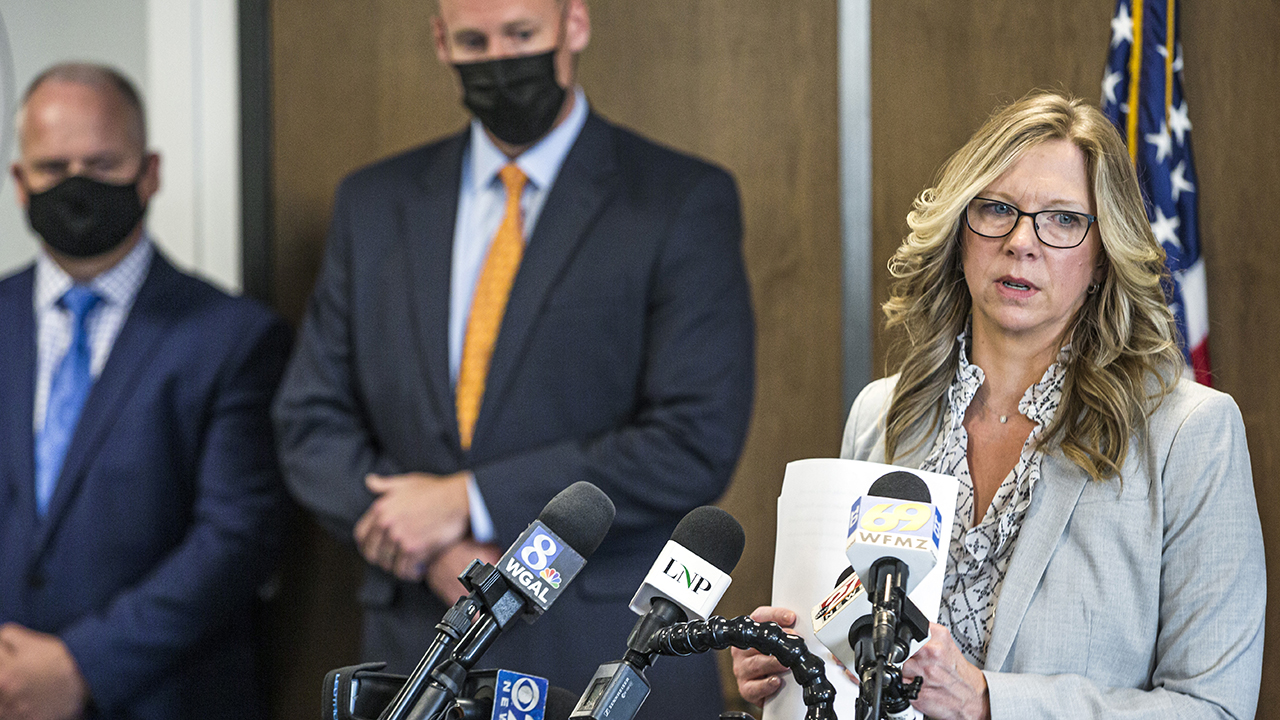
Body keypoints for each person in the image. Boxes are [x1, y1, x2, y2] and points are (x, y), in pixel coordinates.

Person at [271, 0, 754, 716]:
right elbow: (310, 421)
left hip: (602, 646)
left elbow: (693, 438)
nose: (500, 58)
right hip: (416, 644)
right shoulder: (373, 204)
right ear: (441, 41)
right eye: (474, 40)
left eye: (522, 34)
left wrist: (464, 499)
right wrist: (430, 543)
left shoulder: (680, 199)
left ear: (574, 26)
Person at [732, 91, 1264, 719]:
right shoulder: (884, 415)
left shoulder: (1190, 434)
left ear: (1102, 256)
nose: (1021, 241)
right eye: (997, 208)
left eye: (1063, 219)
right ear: (961, 232)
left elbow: (1214, 708)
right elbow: (855, 646)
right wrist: (796, 667)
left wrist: (989, 704)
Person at [0, 64, 290, 720]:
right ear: (20, 182)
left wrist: (80, 665)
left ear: (148, 172)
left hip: (163, 697)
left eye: (101, 164)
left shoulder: (236, 338)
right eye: (52, 168)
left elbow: (236, 537)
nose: (76, 186)